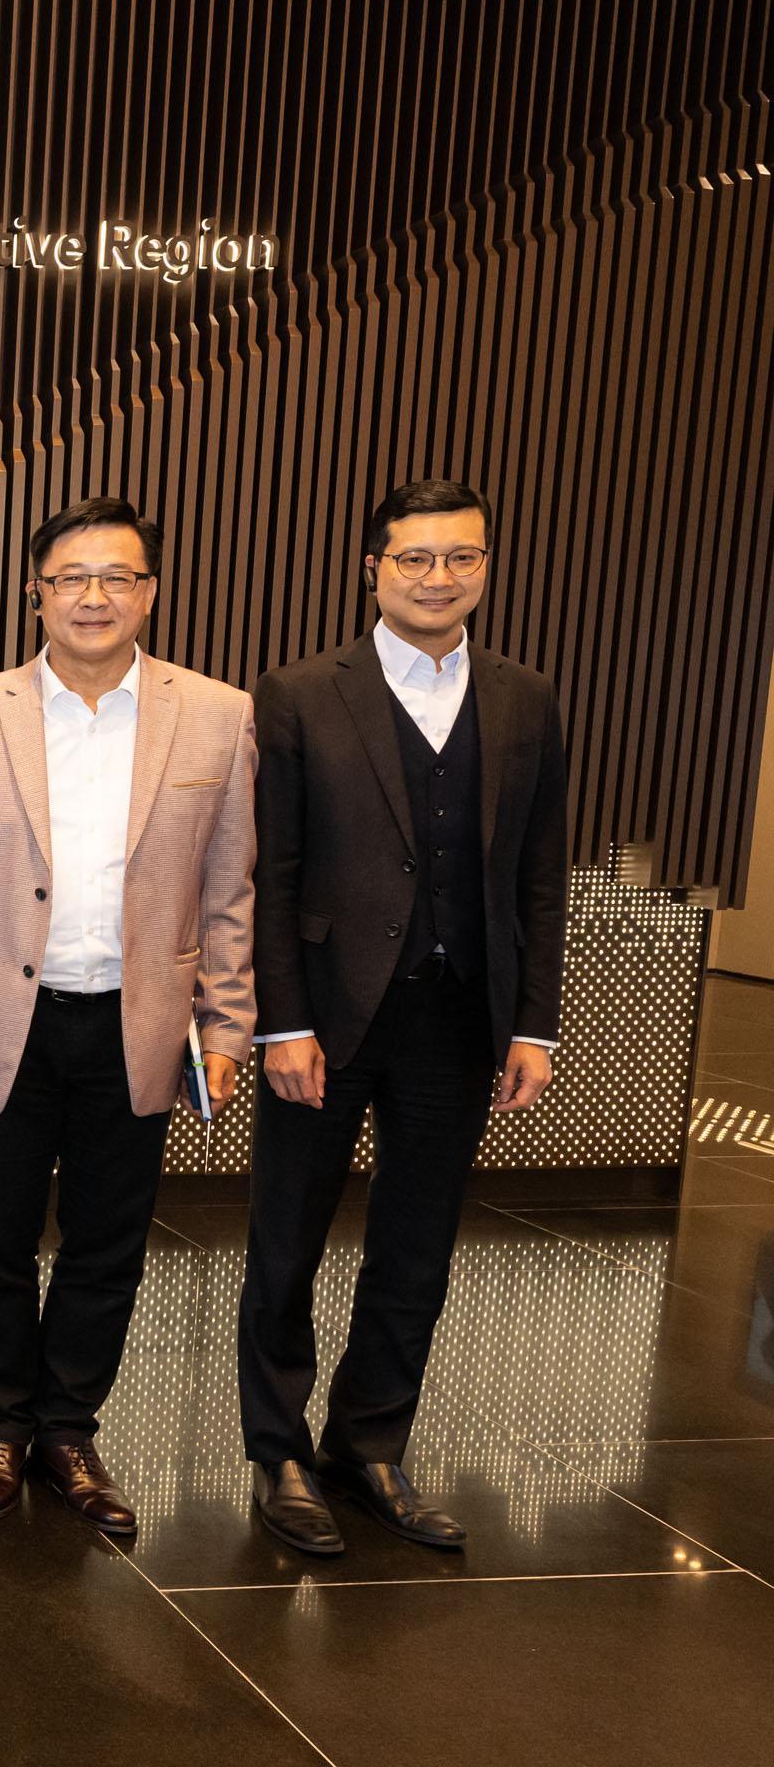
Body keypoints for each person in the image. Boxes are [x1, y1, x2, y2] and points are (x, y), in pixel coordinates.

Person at [0, 493, 256, 1536]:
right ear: (34, 590)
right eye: (71, 578)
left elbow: (230, 892)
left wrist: (226, 1027)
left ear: (150, 590)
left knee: (109, 1238)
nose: (93, 597)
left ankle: (68, 1426)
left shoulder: (218, 715)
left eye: (118, 577)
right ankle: (0, 1425)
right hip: (1, 1020)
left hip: (139, 1024)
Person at [237, 480, 567, 1555]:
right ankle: (278, 1449)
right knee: (286, 1236)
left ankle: (370, 1440)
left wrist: (535, 1022)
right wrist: (279, 1022)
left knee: (416, 1244)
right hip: (326, 1019)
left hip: (460, 1014)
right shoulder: (295, 692)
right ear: (372, 567)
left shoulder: (525, 699)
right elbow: (270, 872)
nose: (440, 577)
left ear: (485, 566)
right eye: (416, 558)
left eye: (461, 557)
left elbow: (537, 874)